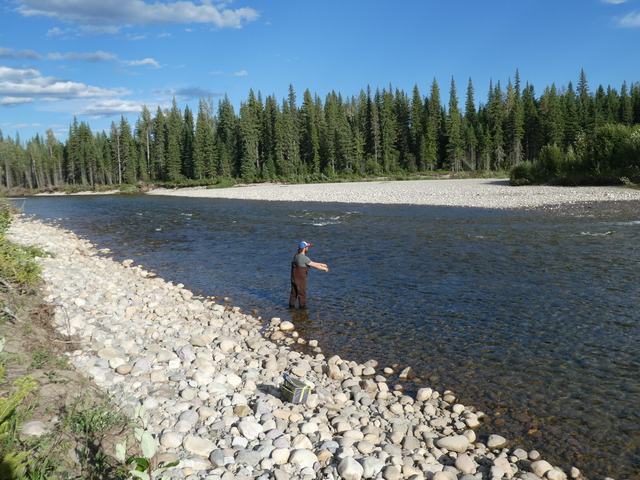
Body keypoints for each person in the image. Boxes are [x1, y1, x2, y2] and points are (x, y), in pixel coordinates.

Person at [289, 241, 329, 308]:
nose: (308, 248)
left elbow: (311, 262)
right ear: (304, 248)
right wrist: (324, 269)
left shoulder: (297, 256)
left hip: (293, 279)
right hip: (300, 280)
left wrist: (321, 264)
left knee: (294, 293)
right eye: (307, 247)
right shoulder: (304, 258)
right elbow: (314, 265)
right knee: (302, 294)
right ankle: (302, 310)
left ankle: (291, 307)